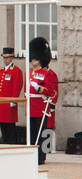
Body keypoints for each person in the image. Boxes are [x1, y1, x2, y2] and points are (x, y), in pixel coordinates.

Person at [25, 35, 56, 163]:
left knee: (40, 133)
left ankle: (40, 157)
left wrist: (39, 89)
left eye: (35, 58)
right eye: (32, 58)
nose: (33, 61)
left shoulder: (46, 74)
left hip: (40, 107)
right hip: (31, 106)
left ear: (40, 58)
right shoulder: (29, 72)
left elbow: (51, 92)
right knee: (31, 134)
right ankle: (32, 157)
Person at [0, 47, 25, 144]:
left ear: (11, 58)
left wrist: (13, 100)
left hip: (9, 104)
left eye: (7, 58)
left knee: (10, 127)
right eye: (4, 58)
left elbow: (17, 86)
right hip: (1, 104)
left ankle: (11, 145)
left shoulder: (16, 71)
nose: (5, 60)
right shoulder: (1, 71)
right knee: (3, 127)